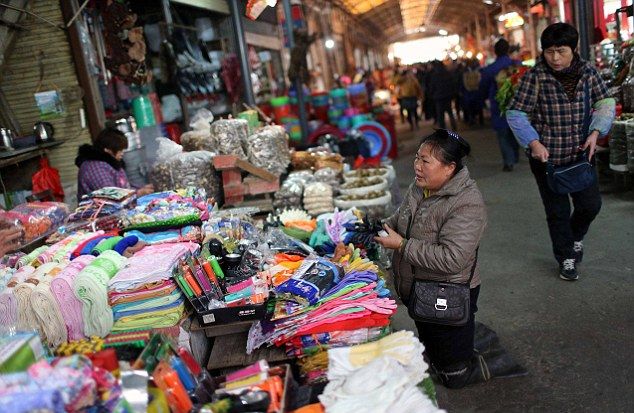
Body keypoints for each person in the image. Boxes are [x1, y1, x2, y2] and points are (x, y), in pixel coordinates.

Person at [375, 129, 487, 388]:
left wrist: (401, 245)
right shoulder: (420, 187)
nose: (417, 166)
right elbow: (401, 219)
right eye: (417, 158)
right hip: (419, 288)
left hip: (447, 293)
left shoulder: (467, 204)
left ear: (449, 168)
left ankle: (461, 366)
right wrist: (378, 228)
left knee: (453, 374)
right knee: (429, 339)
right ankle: (440, 359)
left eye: (425, 161)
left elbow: (452, 258)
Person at [506, 23, 615, 281]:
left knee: (590, 205)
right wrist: (533, 142)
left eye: (561, 51)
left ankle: (575, 237)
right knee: (557, 212)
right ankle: (566, 257)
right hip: (547, 161)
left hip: (581, 155)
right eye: (549, 52)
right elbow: (516, 113)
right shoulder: (535, 77)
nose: (555, 58)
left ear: (574, 49)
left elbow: (605, 101)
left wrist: (596, 131)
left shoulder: (588, 72)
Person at [75, 128, 153, 201]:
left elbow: (123, 187)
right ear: (108, 150)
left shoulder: (111, 163)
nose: (122, 153)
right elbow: (110, 196)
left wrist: (141, 189)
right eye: (120, 150)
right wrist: (138, 193)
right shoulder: (95, 168)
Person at [480, 39, 520, 171]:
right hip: (516, 103)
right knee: (515, 130)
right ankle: (515, 155)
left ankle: (508, 161)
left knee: (502, 134)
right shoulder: (517, 65)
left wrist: (483, 100)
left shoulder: (490, 69)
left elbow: (483, 87)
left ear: (495, 51)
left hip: (498, 104)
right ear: (508, 50)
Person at [429, 61, 458, 130]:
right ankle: (454, 125)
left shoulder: (434, 75)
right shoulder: (448, 73)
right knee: (450, 112)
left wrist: (432, 94)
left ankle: (443, 128)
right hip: (447, 96)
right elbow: (452, 84)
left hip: (439, 97)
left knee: (440, 114)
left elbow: (432, 87)